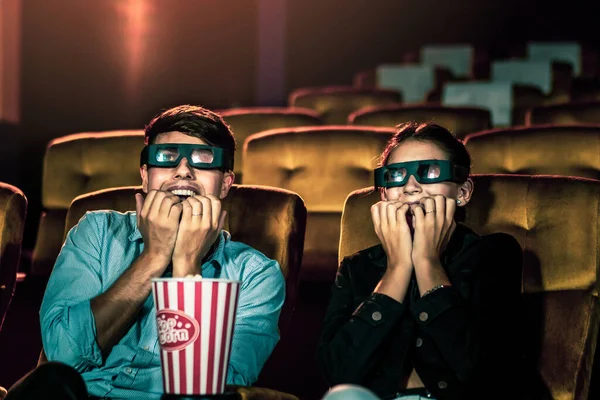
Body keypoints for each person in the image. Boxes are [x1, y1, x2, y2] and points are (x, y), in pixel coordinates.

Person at [30, 105, 285, 398]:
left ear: (226, 183)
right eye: (166, 159)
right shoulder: (97, 231)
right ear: (145, 176)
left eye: (203, 160)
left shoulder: (257, 275)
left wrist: (187, 264)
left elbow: (205, 391)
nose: (183, 171)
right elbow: (61, 357)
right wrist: (153, 258)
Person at [317, 122, 527, 400]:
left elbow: (485, 373)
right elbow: (338, 373)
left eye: (429, 172)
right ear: (383, 194)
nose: (410, 187)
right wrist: (398, 268)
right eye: (395, 176)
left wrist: (428, 262)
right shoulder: (358, 267)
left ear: (462, 193)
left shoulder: (492, 253)